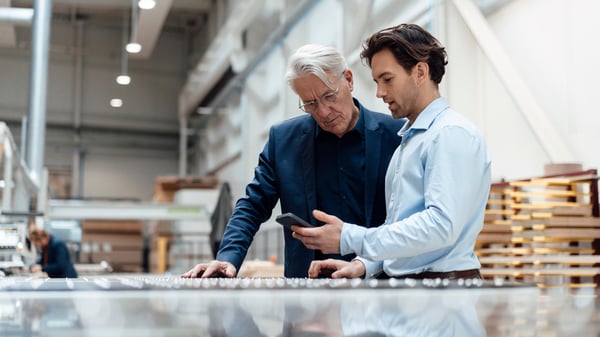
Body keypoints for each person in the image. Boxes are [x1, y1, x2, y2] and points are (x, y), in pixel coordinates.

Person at [181, 44, 405, 278]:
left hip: (378, 286)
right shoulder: (284, 141)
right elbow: (252, 205)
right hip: (307, 294)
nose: (324, 112)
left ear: (349, 80)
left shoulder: (396, 135)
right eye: (310, 103)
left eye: (329, 96)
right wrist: (226, 258)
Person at [292, 24, 492, 280]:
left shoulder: (450, 134)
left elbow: (441, 226)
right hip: (417, 288)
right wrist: (364, 264)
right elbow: (401, 232)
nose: (380, 93)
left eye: (387, 80)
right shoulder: (409, 143)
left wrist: (350, 237)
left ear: (420, 71)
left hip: (443, 289)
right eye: (377, 82)